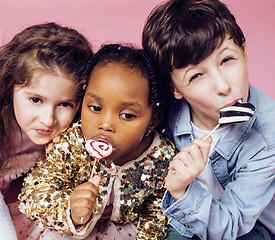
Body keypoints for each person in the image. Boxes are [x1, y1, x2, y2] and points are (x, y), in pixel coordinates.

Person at [142, 0, 275, 239]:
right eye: (196, 76)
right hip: (186, 215)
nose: (223, 86)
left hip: (251, 227)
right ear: (175, 88)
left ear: (243, 50)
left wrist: (181, 191)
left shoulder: (268, 136)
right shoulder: (167, 111)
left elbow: (232, 224)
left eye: (227, 60)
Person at [18, 44, 178, 240]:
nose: (105, 124)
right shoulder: (72, 142)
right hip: (65, 229)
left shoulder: (163, 157)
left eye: (127, 115)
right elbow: (34, 192)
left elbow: (157, 210)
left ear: (152, 121)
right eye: (95, 108)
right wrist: (70, 210)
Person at [0, 22, 93, 240]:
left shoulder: (73, 135)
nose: (48, 119)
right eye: (35, 99)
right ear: (10, 85)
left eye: (65, 104)